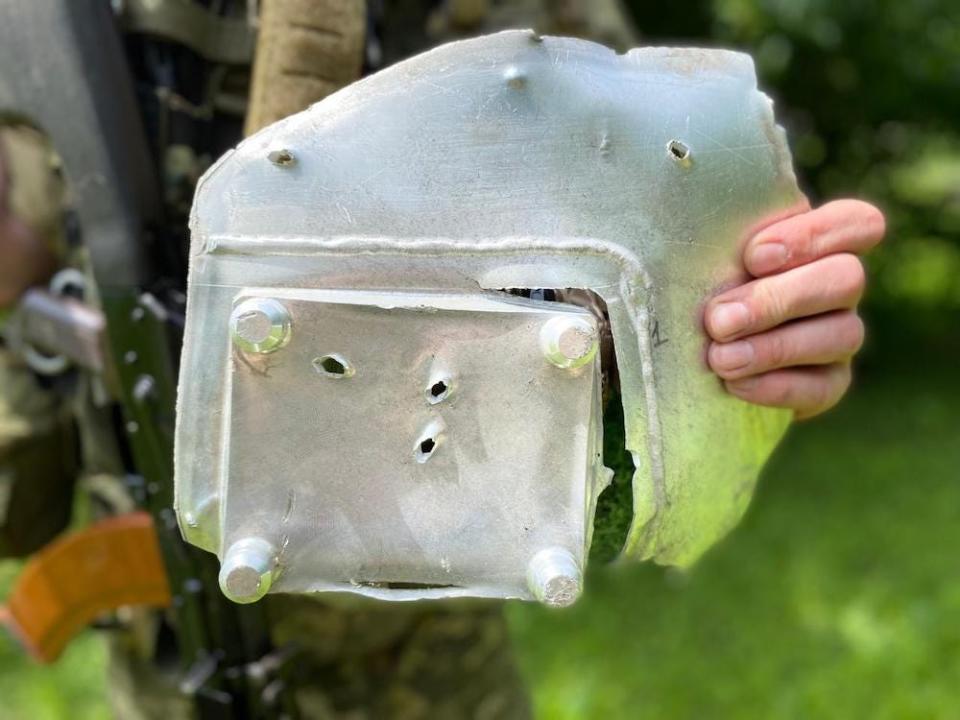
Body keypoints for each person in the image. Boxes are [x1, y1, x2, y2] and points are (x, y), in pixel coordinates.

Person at [0, 1, 885, 717]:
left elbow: (660, 236)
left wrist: (734, 342)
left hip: (433, 658)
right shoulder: (50, 33)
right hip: (169, 656)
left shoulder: (526, 24)